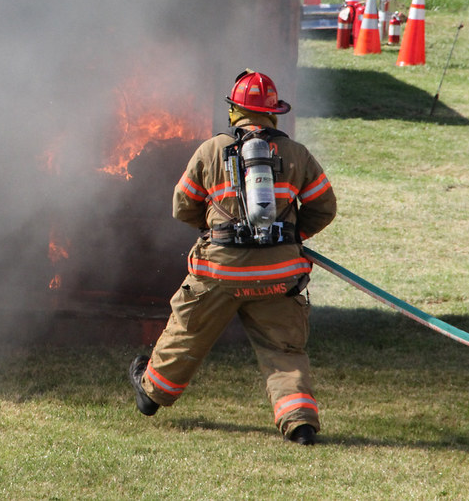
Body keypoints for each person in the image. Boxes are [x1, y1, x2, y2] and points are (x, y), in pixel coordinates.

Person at [129, 70, 337, 445]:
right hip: (279, 273)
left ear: (234, 112)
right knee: (283, 349)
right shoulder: (297, 154)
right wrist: (290, 237)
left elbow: (182, 206)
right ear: (274, 114)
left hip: (218, 271)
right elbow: (324, 207)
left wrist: (212, 228)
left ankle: (152, 393)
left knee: (188, 333)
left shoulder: (211, 150)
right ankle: (300, 422)